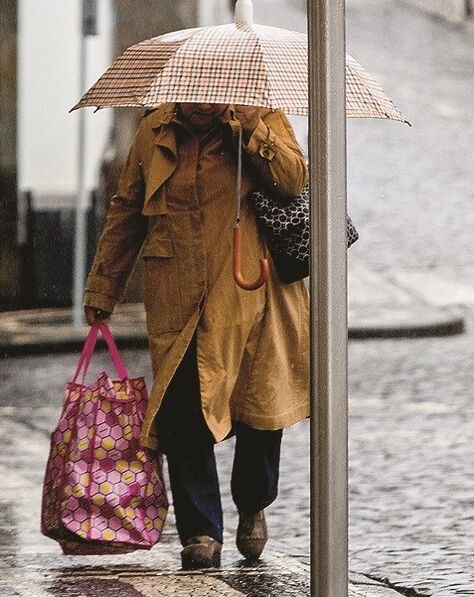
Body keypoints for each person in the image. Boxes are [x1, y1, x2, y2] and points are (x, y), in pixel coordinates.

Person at [83, 102, 310, 569]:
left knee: (257, 412)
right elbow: (126, 210)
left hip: (251, 290)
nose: (203, 103)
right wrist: (103, 286)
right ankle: (201, 531)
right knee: (183, 414)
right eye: (193, 96)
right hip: (178, 296)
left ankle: (253, 504)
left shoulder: (259, 118)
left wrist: (252, 131)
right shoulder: (154, 131)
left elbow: (294, 179)